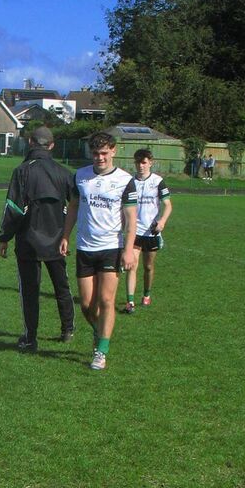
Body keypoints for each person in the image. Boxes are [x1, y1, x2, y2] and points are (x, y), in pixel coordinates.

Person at [61, 131, 137, 371]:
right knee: (86, 305)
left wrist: (128, 250)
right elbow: (72, 207)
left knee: (106, 300)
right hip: (85, 247)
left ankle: (101, 351)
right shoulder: (80, 177)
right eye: (95, 153)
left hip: (110, 248)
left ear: (113, 151)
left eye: (104, 153)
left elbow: (131, 219)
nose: (100, 158)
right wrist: (65, 236)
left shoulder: (125, 180)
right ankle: (100, 332)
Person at [0, 125, 74, 351]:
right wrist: (66, 234)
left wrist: (4, 237)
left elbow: (13, 208)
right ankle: (67, 329)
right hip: (58, 240)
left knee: (30, 291)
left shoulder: (22, 171)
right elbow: (76, 204)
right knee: (62, 287)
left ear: (30, 143)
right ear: (51, 145)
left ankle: (31, 338)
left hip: (28, 241)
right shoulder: (64, 172)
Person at [122, 149, 172, 313]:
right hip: (134, 232)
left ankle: (146, 294)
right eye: (138, 162)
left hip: (151, 232)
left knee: (148, 266)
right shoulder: (129, 182)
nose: (140, 166)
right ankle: (130, 302)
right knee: (132, 265)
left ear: (151, 162)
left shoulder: (158, 181)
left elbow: (168, 205)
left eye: (143, 162)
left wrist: (162, 221)